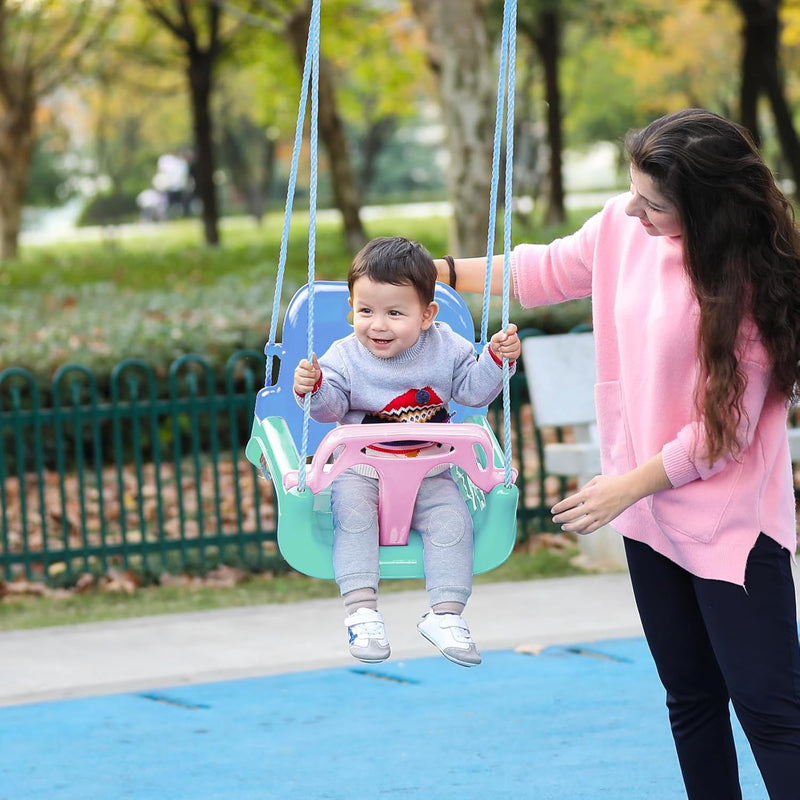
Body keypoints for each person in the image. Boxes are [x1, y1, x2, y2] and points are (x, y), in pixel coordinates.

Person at [437, 109, 800, 798]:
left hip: (731, 529)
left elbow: (721, 431)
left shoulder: (753, 282)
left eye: (654, 204)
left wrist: (625, 486)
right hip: (648, 516)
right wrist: (437, 273)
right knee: (690, 701)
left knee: (771, 713)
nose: (633, 211)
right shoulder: (620, 229)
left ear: (707, 207)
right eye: (633, 192)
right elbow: (538, 272)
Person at [293, 236, 520, 667]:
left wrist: (494, 359)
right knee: (354, 520)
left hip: (430, 471)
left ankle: (446, 615)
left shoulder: (447, 346)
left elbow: (472, 393)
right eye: (366, 311)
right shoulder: (344, 355)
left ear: (427, 315)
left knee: (452, 525)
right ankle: (361, 610)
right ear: (352, 309)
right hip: (361, 470)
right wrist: (315, 387)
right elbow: (330, 410)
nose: (377, 325)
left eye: (395, 313)